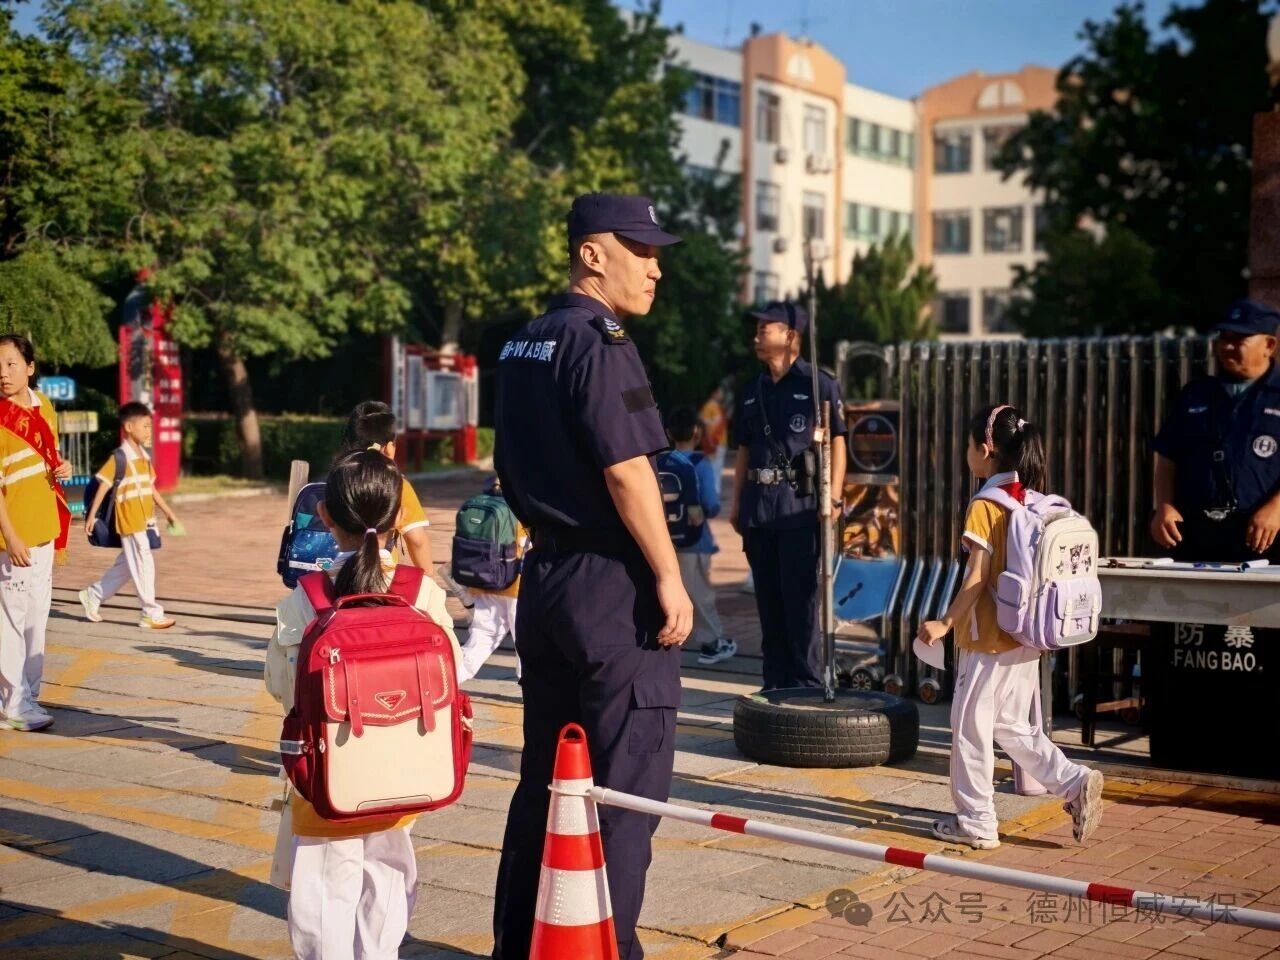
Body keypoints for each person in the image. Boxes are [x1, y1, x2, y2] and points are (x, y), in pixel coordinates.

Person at [491, 193, 692, 960]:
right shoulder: (601, 341)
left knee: (545, 783)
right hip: (610, 589)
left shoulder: (524, 343)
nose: (655, 268)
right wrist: (668, 575)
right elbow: (627, 471)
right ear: (591, 253)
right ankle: (605, 949)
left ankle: (521, 946)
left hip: (545, 579)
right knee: (620, 793)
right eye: (640, 251)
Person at [264, 450, 461, 960]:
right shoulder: (421, 593)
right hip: (405, 772)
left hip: (327, 777)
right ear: (398, 517)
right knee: (388, 875)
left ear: (325, 515)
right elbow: (453, 675)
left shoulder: (307, 597)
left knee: (324, 889)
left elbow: (280, 685)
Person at [917, 404, 1104, 850]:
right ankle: (1074, 782)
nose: (966, 454)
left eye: (968, 446)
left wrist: (945, 623)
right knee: (1012, 725)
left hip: (987, 638)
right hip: (1026, 635)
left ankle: (976, 822)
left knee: (969, 728)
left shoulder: (985, 505)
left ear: (985, 450)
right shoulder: (1032, 498)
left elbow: (976, 577)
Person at [728, 301, 847, 691]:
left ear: (791, 336)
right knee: (768, 603)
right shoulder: (752, 389)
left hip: (799, 508)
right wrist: (736, 504)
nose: (757, 336)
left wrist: (833, 497)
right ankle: (774, 683)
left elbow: (838, 441)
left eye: (766, 329)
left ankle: (805, 684)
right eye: (758, 329)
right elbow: (743, 449)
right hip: (759, 509)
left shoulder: (818, 385)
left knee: (800, 603)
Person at [1152, 299, 1280, 561]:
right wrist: (1165, 506)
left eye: (1239, 339)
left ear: (1268, 345)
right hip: (1197, 536)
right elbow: (1167, 458)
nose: (1227, 346)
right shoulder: (1196, 394)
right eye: (1224, 338)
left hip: (1264, 538)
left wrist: (1277, 509)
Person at [0, 333, 72, 731]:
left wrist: (62, 468)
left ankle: (28, 692)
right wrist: (10, 536)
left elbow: (49, 459)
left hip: (45, 526)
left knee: (35, 615)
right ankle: (12, 705)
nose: (3, 373)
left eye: (11, 364)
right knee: (10, 618)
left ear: (29, 367)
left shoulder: (43, 405)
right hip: (13, 536)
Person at [79, 402, 180, 631]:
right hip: (129, 520)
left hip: (144, 520)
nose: (148, 431)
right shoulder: (119, 458)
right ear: (128, 427)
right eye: (145, 426)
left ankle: (93, 595)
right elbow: (103, 487)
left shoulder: (143, 457)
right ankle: (150, 613)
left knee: (128, 565)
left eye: (149, 426)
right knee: (144, 564)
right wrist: (91, 517)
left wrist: (169, 513)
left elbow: (150, 489)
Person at [664, 406, 736, 665]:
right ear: (696, 431)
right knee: (700, 593)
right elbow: (711, 505)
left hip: (666, 540)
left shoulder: (661, 461)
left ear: (668, 433)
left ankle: (668, 641)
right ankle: (711, 644)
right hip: (695, 539)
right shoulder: (700, 463)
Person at [334, 401, 433, 572]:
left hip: (328, 575)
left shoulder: (334, 478)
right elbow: (417, 541)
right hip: (380, 577)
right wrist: (428, 578)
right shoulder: (396, 484)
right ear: (388, 448)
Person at [455, 476, 526, 683]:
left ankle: (449, 679)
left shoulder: (485, 504)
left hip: (486, 579)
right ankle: (528, 691)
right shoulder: (524, 507)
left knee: (481, 637)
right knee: (526, 643)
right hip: (517, 585)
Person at [698, 385, 729, 495]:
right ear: (714, 393)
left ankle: (715, 492)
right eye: (720, 392)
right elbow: (706, 426)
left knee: (717, 468)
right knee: (713, 468)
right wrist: (710, 442)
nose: (722, 395)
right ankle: (712, 492)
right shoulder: (709, 407)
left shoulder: (718, 407)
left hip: (720, 442)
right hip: (714, 442)